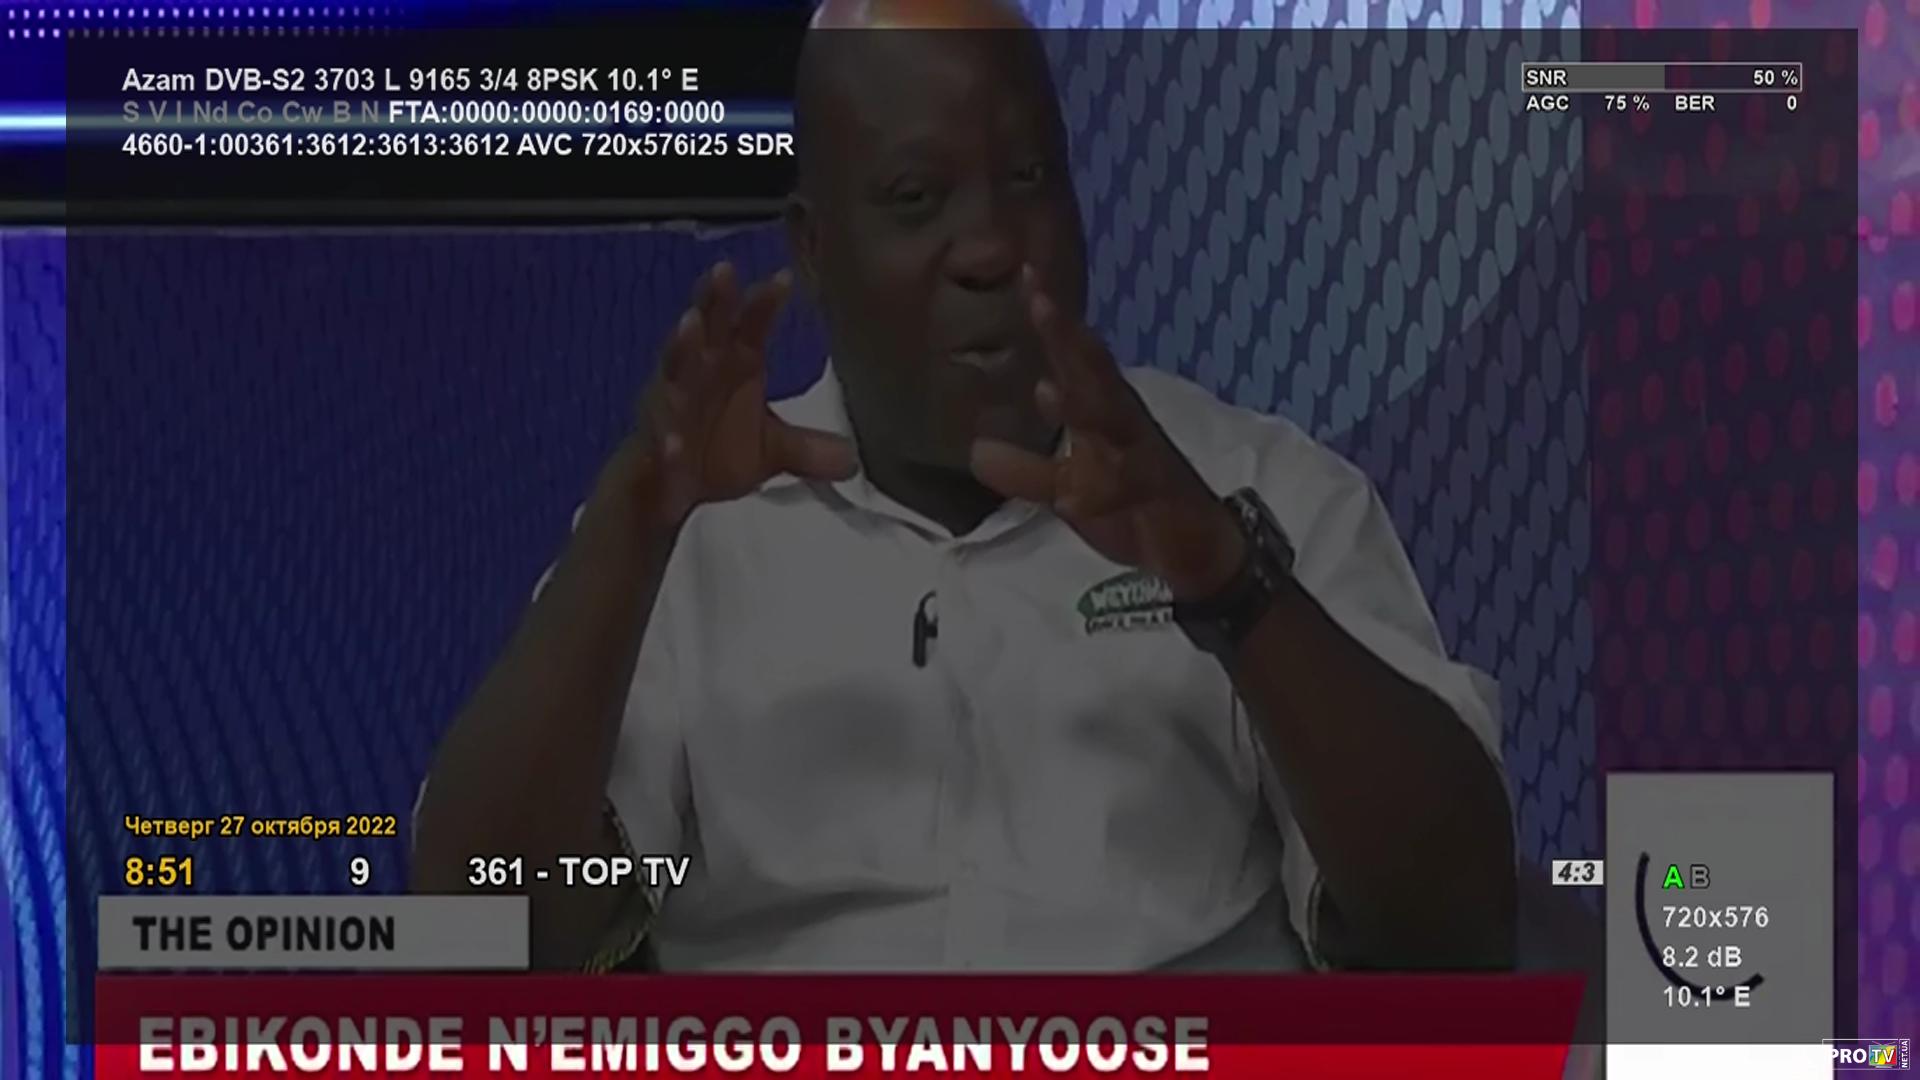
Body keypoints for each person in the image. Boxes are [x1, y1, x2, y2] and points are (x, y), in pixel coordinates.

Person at [411, 0, 1516, 973]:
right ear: (815, 244)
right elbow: (482, 934)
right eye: (916, 196)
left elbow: (1457, 927)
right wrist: (632, 527)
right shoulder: (692, 543)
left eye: (1028, 179)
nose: (990, 246)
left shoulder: (1251, 490)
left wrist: (1233, 588)